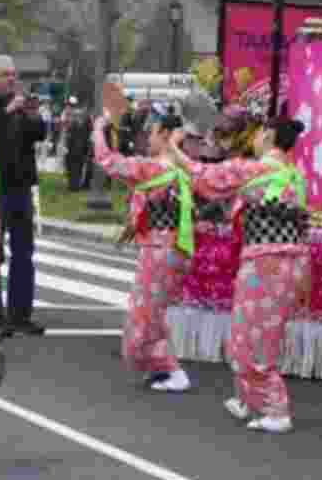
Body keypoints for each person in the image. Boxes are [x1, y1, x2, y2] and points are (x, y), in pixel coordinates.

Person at [92, 108, 272, 392]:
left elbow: (107, 160)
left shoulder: (154, 168)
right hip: (177, 250)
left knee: (142, 318)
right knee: (153, 313)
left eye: (151, 133)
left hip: (160, 250)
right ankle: (165, 369)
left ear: (164, 136)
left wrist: (98, 130)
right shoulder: (181, 171)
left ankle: (168, 369)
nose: (147, 139)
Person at [175, 118, 311, 432]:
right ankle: (250, 399)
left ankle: (275, 409)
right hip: (287, 265)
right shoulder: (296, 177)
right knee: (253, 334)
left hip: (265, 263)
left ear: (268, 135)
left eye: (259, 132)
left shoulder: (259, 169)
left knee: (252, 337)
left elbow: (206, 177)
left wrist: (174, 151)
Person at [0, 55, 47, 335]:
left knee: (24, 251)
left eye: (14, 74)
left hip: (21, 184)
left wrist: (34, 114)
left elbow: (39, 134)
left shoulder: (21, 106)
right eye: (5, 75)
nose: (11, 79)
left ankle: (21, 314)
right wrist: (7, 112)